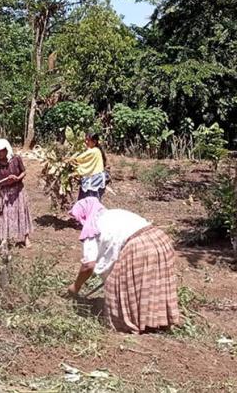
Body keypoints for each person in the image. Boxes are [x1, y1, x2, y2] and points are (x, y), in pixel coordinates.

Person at [67, 197, 180, 334]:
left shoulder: (92, 229)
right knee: (151, 284)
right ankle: (156, 322)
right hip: (160, 240)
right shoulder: (115, 213)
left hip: (140, 247)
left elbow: (88, 266)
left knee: (116, 285)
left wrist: (75, 287)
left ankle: (128, 324)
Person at [0, 139, 32, 247]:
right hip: (4, 193)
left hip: (17, 191)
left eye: (1, 151)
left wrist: (17, 178)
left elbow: (24, 172)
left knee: (21, 213)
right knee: (4, 215)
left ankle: (26, 238)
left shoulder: (16, 159)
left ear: (7, 150)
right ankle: (4, 239)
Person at [69, 133, 108, 200]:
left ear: (94, 142)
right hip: (94, 179)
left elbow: (79, 159)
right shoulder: (95, 150)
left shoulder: (94, 151)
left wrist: (67, 160)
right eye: (86, 140)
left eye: (88, 140)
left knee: (90, 201)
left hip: (94, 180)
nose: (86, 142)